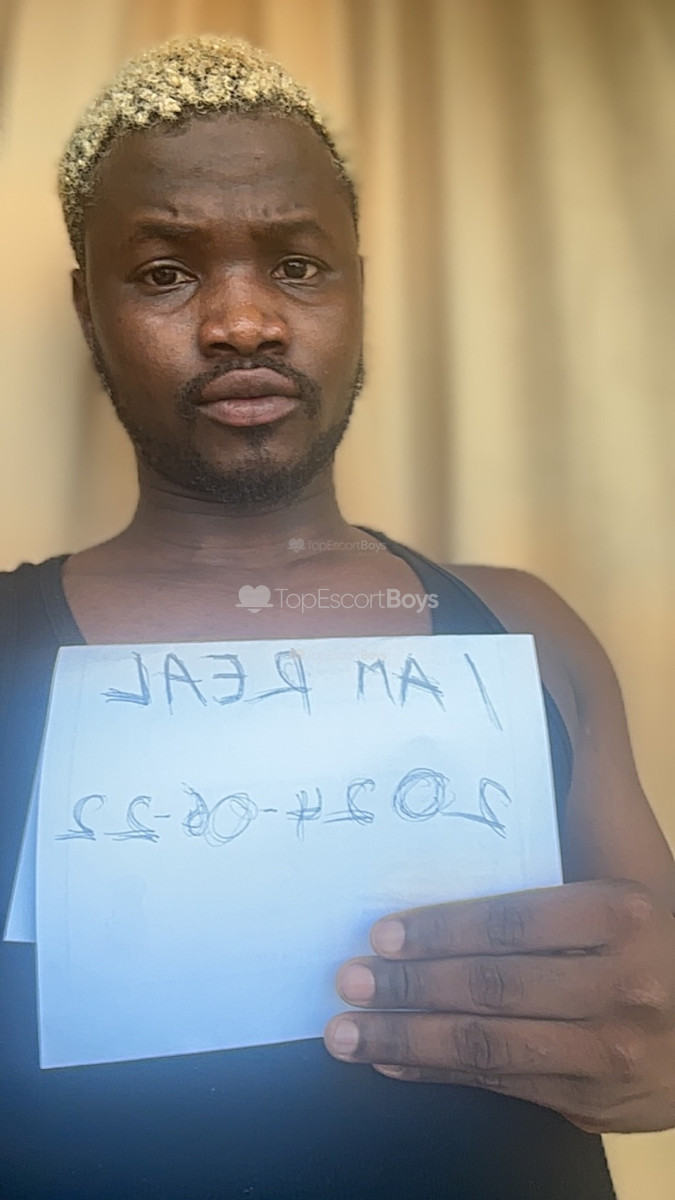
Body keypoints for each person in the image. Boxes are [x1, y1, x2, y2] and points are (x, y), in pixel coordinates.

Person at [1, 33, 673, 1200]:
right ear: (86, 307)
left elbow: (654, 988)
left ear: (357, 283)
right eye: (164, 274)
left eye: (299, 265)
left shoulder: (530, 632)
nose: (243, 322)